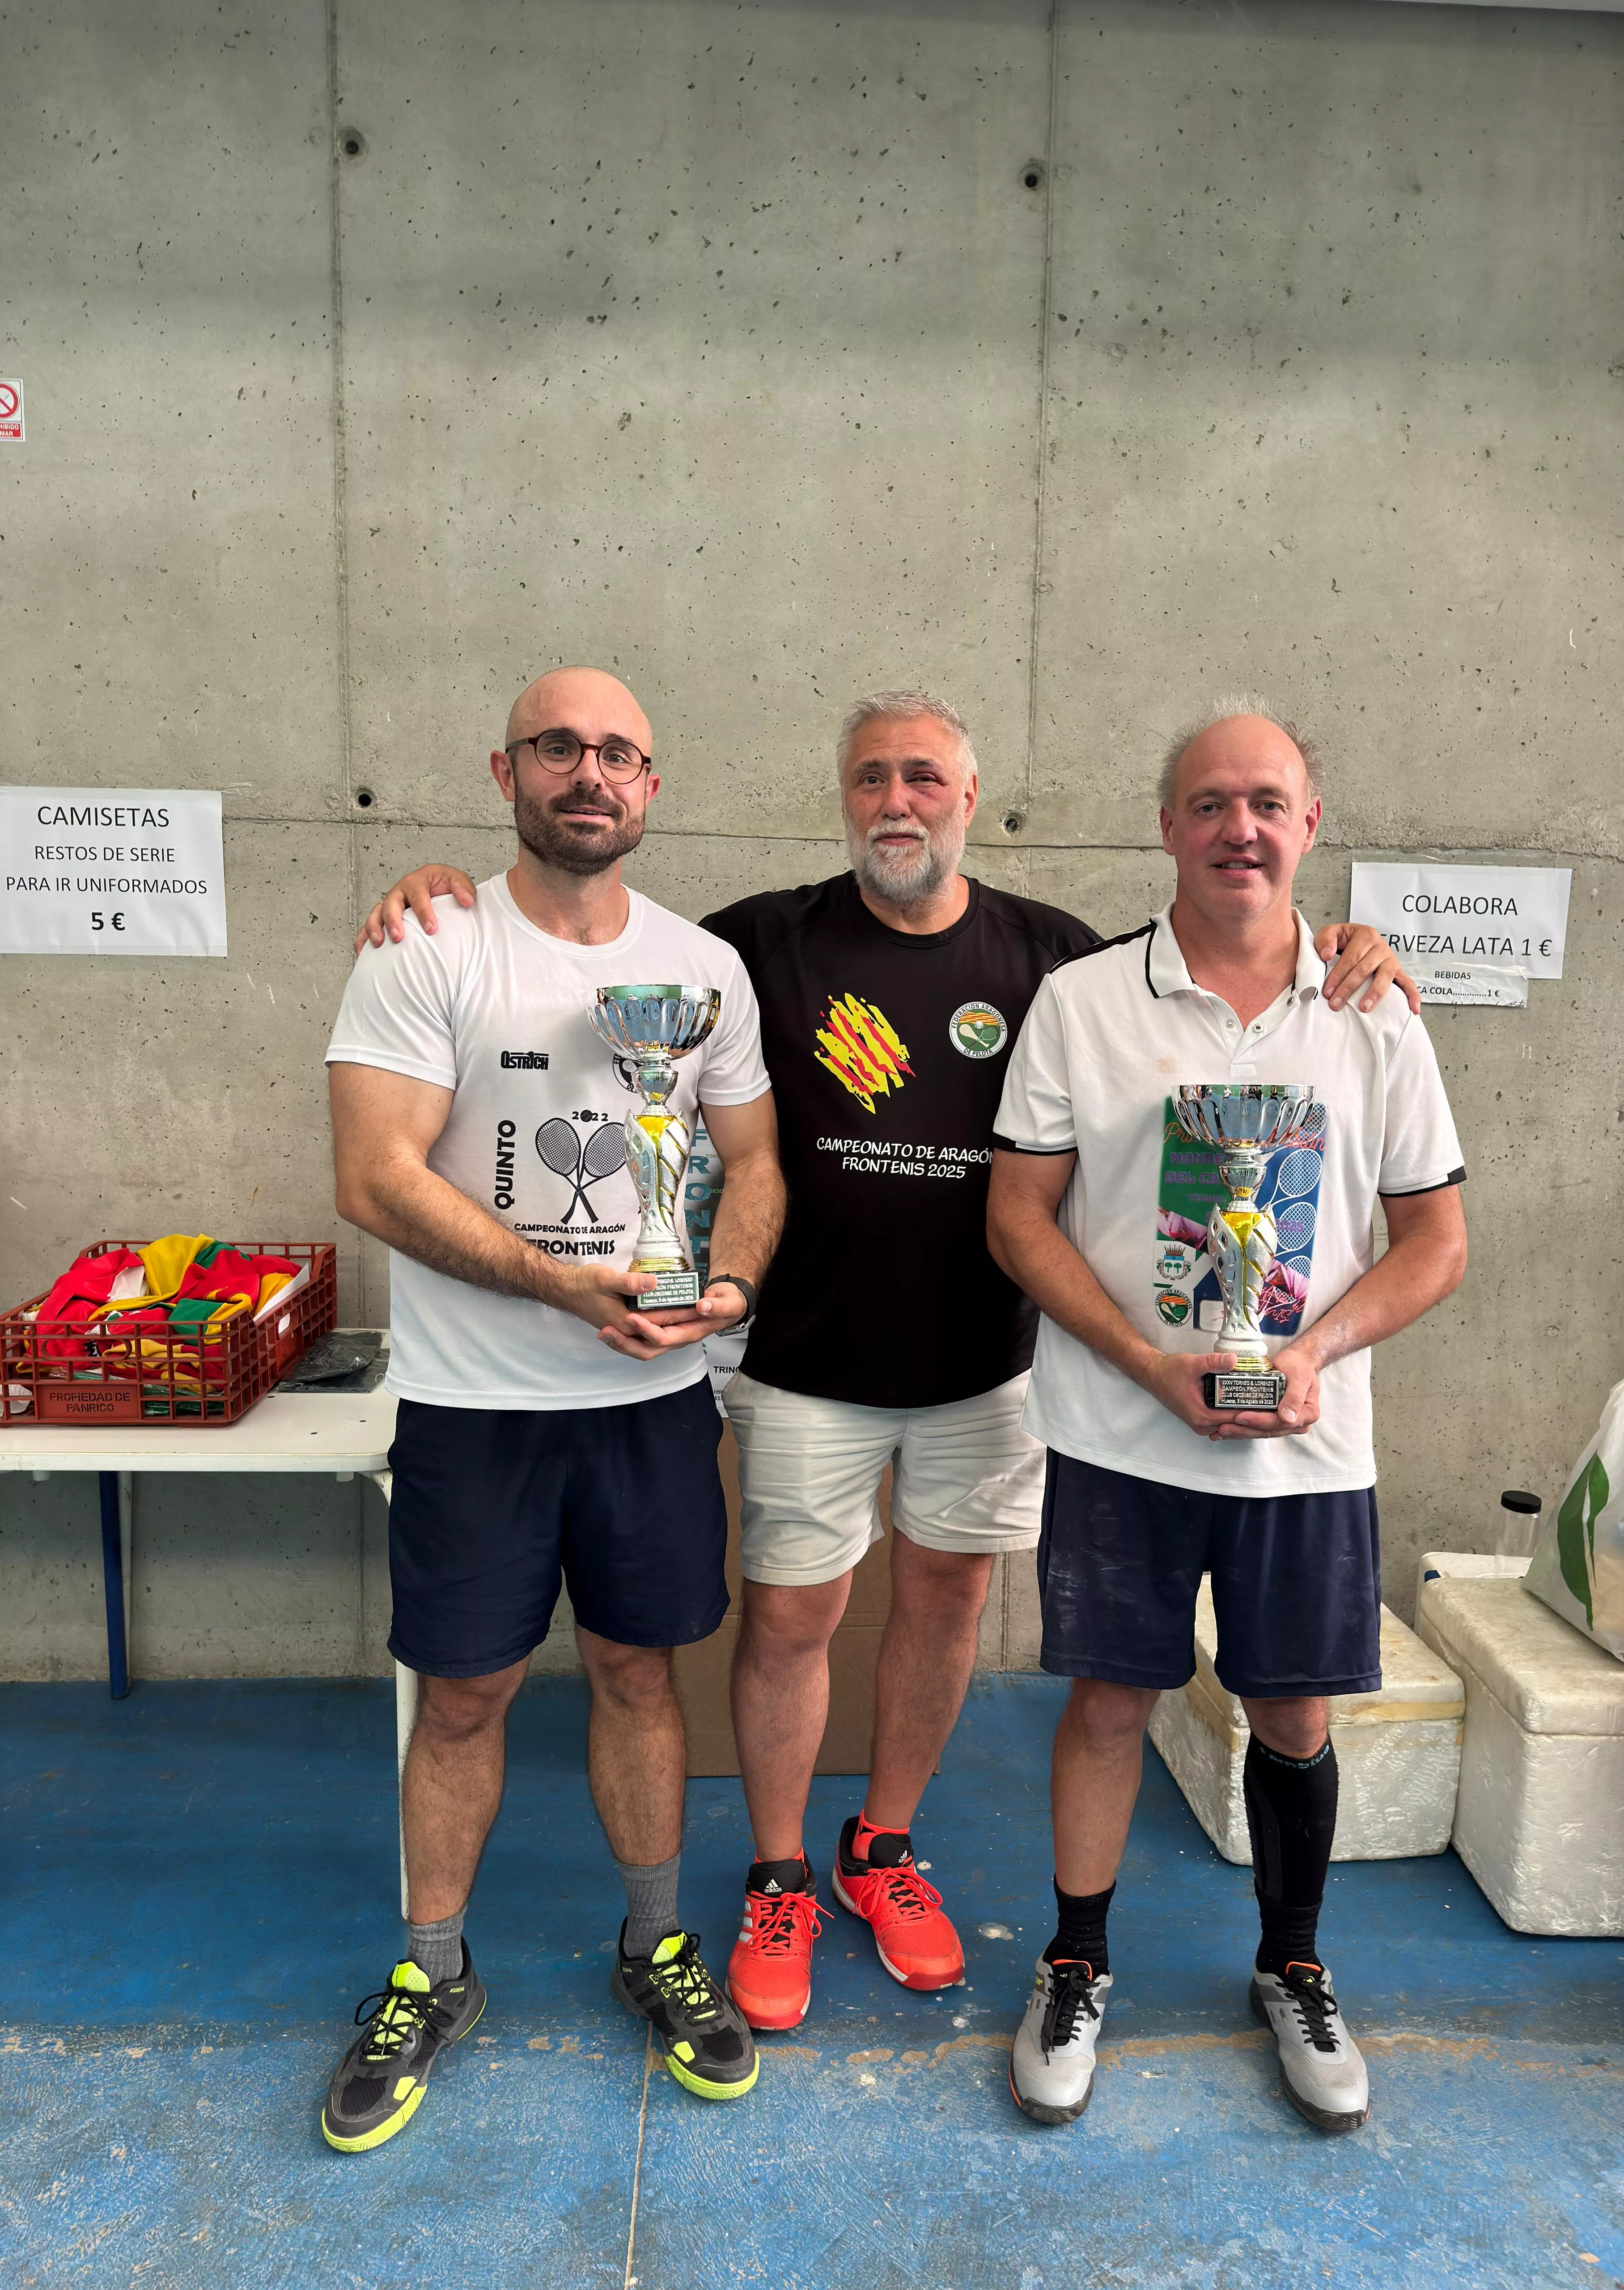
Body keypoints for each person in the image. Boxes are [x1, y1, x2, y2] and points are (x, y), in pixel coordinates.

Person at [359, 692, 1417, 2037]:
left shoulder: (1052, 956)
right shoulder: (757, 942)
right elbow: (596, 940)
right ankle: (782, 1872)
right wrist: (444, 886)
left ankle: (884, 1848)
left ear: (972, 797)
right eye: (871, 779)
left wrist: (1347, 950)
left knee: (944, 1608)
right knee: (793, 1621)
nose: (898, 802)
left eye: (925, 778)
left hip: (992, 1370)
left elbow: (1212, 990)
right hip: (804, 1362)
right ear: (844, 799)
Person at [320, 666, 785, 2152]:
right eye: (562, 748)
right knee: (464, 1696)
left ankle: (652, 1943)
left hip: (651, 1404)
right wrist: (565, 1289)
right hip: (475, 1406)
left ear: (653, 788)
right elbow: (375, 1177)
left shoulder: (704, 967)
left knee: (644, 1677)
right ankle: (434, 1971)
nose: (593, 774)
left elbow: (755, 1161)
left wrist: (727, 1278)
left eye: (623, 755)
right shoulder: (426, 943)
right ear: (508, 767)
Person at [987, 706, 1467, 2134]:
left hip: (1305, 1442)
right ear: (1168, 826)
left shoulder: (1375, 1014)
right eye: (1209, 803)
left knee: (1295, 1710)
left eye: (1267, 802)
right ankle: (1075, 1962)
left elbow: (1434, 1243)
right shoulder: (1082, 1002)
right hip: (1122, 1433)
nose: (1239, 828)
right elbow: (1019, 1220)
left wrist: (1314, 1352)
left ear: (1310, 824)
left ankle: (1295, 1963)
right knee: (1109, 1699)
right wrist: (1145, 1362)